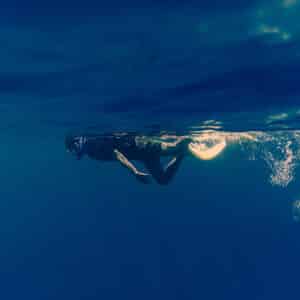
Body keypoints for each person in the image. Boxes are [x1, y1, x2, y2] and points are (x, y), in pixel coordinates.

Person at [65, 132, 192, 185]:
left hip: (143, 145)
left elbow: (117, 154)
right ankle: (182, 153)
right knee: (163, 180)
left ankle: (194, 138)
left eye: (73, 149)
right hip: (143, 155)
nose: (74, 152)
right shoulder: (91, 154)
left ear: (77, 141)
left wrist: (134, 172)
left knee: (174, 146)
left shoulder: (93, 145)